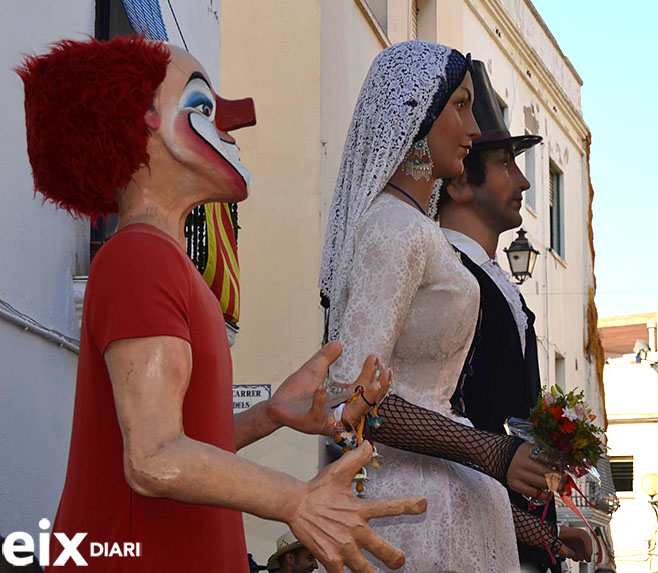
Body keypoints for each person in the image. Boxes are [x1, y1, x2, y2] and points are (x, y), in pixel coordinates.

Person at [18, 36, 425, 572]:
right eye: (202, 106)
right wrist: (295, 499)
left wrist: (268, 415)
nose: (234, 122)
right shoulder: (140, 257)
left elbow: (183, 446)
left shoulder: (161, 261)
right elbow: (154, 457)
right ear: (143, 122)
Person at [319, 40, 577, 572]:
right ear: (419, 117)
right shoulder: (392, 229)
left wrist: (540, 531)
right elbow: (351, 398)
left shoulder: (418, 232)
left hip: (447, 504)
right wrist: (494, 452)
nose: (474, 128)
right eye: (459, 106)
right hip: (410, 512)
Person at [437, 61, 594, 572]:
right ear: (460, 185)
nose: (524, 179)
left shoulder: (495, 283)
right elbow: (454, 422)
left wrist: (544, 529)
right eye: (505, 162)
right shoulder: (446, 276)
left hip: (504, 531)